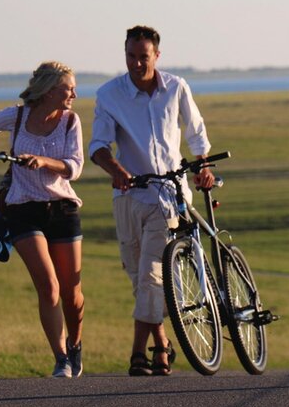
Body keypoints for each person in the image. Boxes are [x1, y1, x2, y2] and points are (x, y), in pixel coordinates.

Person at [89, 25, 215, 376]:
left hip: (168, 197)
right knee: (138, 277)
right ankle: (162, 343)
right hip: (128, 197)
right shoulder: (109, 94)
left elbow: (196, 132)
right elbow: (98, 146)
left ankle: (138, 354)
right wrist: (116, 170)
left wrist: (203, 165)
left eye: (143, 57)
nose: (136, 63)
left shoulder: (176, 87)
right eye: (130, 56)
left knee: (151, 275)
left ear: (157, 56)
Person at [0, 61, 85, 379]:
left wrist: (44, 161)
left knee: (71, 294)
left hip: (62, 210)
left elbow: (75, 167)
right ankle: (61, 358)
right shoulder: (18, 116)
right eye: (68, 89)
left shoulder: (70, 121)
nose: (74, 94)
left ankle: (75, 344)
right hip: (23, 209)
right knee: (48, 287)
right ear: (49, 91)